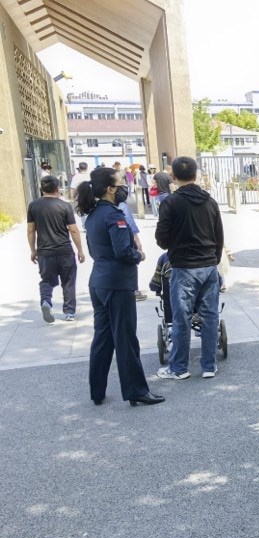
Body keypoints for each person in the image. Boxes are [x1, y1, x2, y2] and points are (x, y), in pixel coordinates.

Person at [76, 167, 164, 407]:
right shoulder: (115, 216)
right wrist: (140, 255)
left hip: (98, 282)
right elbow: (123, 252)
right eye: (120, 183)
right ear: (109, 189)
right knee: (125, 338)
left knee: (102, 337)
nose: (124, 187)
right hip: (117, 283)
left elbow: (96, 251)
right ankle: (136, 390)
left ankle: (97, 391)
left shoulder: (92, 215)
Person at [155, 156, 224, 380]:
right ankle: (208, 366)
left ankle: (179, 368)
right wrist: (214, 259)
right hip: (208, 265)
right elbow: (219, 236)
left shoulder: (171, 203)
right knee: (210, 316)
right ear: (196, 175)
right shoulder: (210, 201)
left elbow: (162, 239)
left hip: (183, 266)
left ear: (173, 177)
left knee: (181, 317)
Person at [27, 175, 86, 322]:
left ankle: (46, 301)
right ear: (57, 189)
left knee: (47, 280)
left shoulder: (33, 206)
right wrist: (80, 250)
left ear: (41, 189)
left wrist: (33, 250)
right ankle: (69, 312)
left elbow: (30, 230)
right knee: (68, 281)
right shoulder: (65, 206)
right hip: (64, 251)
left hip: (45, 252)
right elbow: (73, 230)